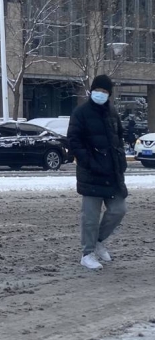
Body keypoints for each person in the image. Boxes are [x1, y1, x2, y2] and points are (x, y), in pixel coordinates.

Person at [67, 74, 128, 270]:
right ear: (91, 91)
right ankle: (87, 253)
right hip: (91, 173)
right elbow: (74, 141)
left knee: (118, 210)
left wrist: (121, 162)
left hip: (112, 172)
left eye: (104, 91)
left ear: (109, 94)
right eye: (98, 90)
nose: (100, 94)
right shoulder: (81, 113)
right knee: (90, 217)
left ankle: (99, 241)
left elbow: (118, 138)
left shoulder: (112, 113)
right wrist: (89, 161)